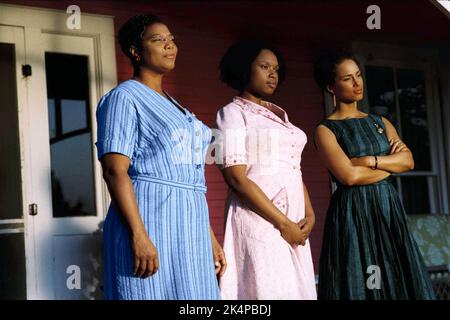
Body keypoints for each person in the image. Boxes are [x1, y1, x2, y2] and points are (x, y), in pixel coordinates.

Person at [96, 14, 225, 300]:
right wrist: (138, 236)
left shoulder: (175, 105)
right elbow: (115, 171)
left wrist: (210, 238)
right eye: (158, 40)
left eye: (171, 39)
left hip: (189, 224)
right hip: (150, 219)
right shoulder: (124, 98)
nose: (169, 46)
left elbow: (189, 178)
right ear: (135, 50)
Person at [313, 48, 436, 299]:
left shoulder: (380, 122)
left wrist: (371, 161)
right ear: (330, 87)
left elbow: (409, 161)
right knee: (360, 278)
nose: (358, 83)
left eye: (358, 75)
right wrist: (390, 167)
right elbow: (349, 177)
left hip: (387, 207)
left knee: (396, 271)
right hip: (353, 212)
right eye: (348, 78)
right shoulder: (325, 130)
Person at [215, 40, 317, 299]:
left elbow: (293, 168)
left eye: (276, 69)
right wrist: (283, 224)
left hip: (293, 223)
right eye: (264, 66)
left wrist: (310, 213)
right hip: (261, 220)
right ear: (244, 69)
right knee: (267, 291)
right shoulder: (231, 114)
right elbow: (235, 178)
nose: (273, 73)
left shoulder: (279, 117)